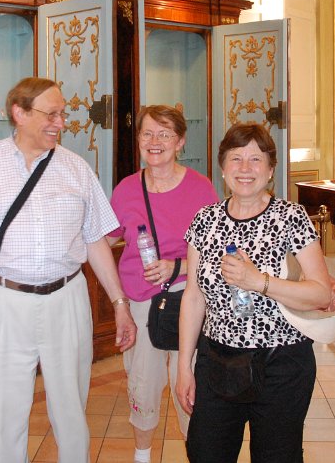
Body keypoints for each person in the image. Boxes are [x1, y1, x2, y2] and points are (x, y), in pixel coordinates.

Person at [0, 77, 137, 463]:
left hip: (67, 300)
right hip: (7, 302)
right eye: (51, 114)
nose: (61, 123)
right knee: (6, 415)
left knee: (71, 412)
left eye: (63, 114)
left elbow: (95, 242)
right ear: (19, 114)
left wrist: (119, 303)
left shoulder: (77, 169)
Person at [177, 123, 332, 463]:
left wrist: (259, 281)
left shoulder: (291, 218)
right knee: (205, 453)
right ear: (222, 167)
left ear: (271, 169)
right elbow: (193, 297)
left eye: (256, 159)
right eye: (236, 158)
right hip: (217, 360)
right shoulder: (204, 221)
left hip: (282, 363)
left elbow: (321, 293)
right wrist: (184, 366)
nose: (245, 168)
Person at [108, 105, 217, 463]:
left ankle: (196, 452)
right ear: (138, 139)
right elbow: (104, 240)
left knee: (192, 386)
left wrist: (178, 266)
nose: (155, 142)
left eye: (165, 134)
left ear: (180, 141)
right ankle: (142, 456)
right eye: (147, 134)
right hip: (141, 304)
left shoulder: (201, 189)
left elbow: (219, 255)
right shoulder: (126, 189)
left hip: (191, 300)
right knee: (142, 386)